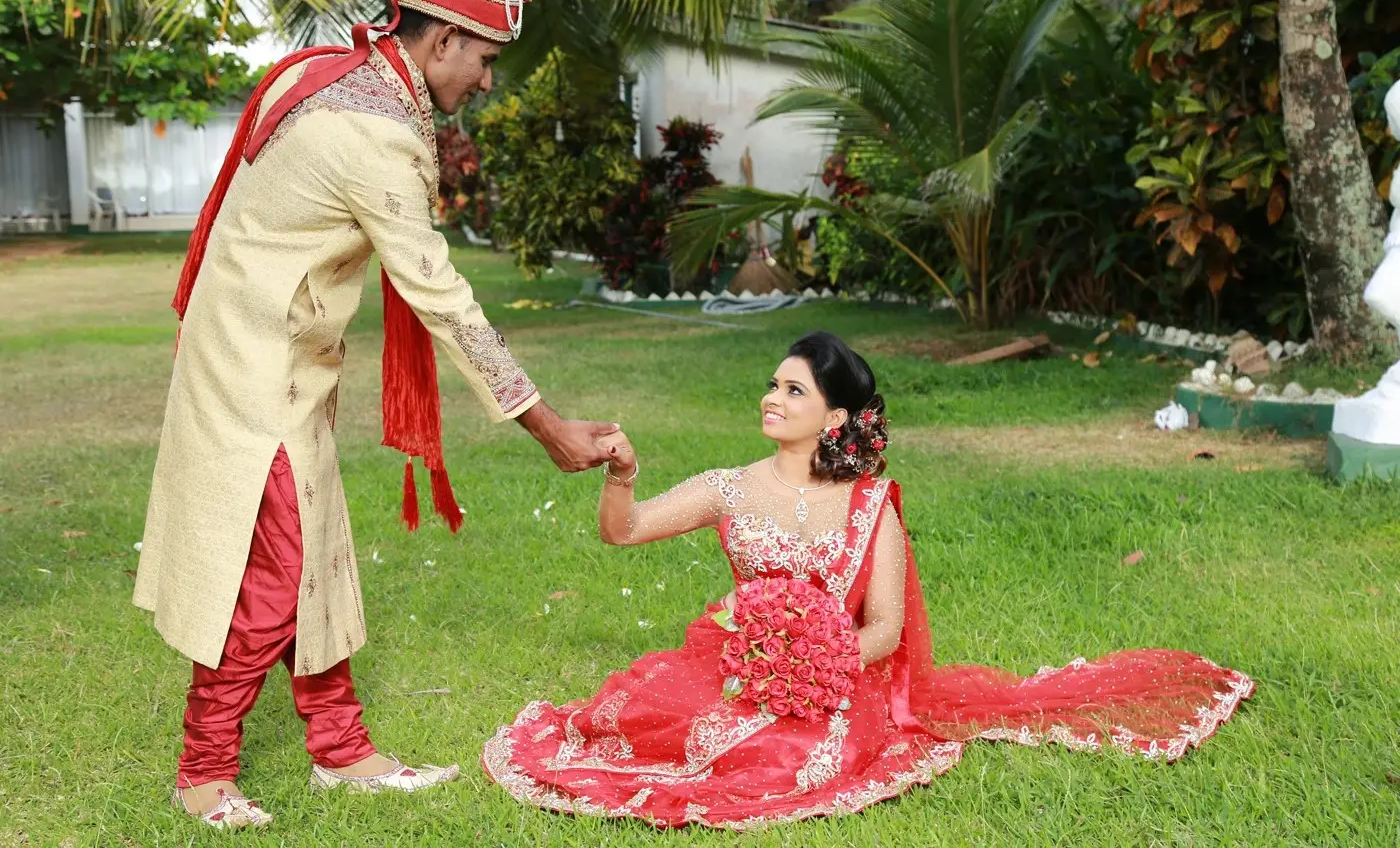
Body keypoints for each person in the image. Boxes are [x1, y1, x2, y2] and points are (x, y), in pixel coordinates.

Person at [133, 0, 617, 830]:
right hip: (251, 370)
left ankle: (342, 749)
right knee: (276, 575)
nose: (488, 78)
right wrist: (543, 425)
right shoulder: (375, 131)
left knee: (315, 550)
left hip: (279, 356)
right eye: (485, 59)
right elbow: (442, 297)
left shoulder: (354, 83)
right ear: (442, 42)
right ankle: (202, 771)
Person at [483, 331, 1254, 830]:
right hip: (736, 662)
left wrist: (815, 667)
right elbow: (624, 531)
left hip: (837, 679)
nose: (771, 399)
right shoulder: (730, 485)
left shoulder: (868, 503)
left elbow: (883, 625)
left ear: (835, 417)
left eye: (793, 392)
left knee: (779, 760)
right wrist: (621, 472)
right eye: (773, 384)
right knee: (643, 726)